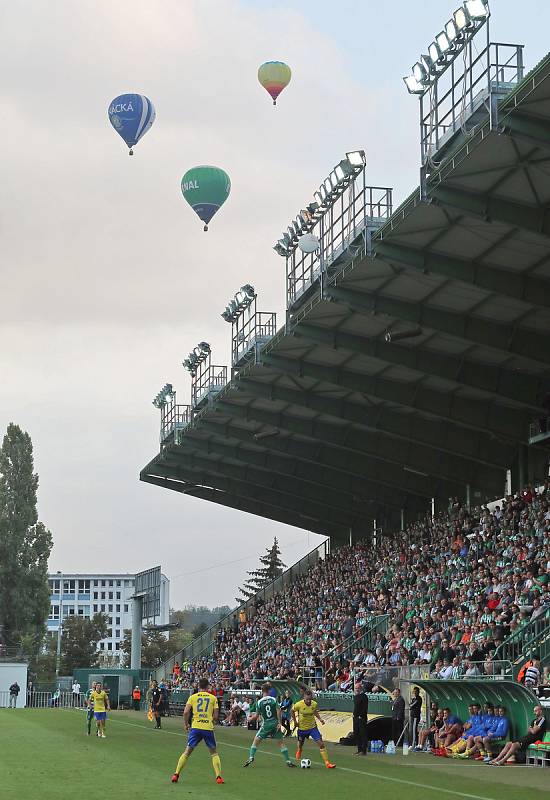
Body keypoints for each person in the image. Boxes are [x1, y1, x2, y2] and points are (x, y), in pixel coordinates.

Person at [171, 677, 224, 785]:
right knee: (214, 753)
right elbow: (216, 716)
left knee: (187, 752)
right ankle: (218, 777)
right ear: (208, 686)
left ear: (198, 686)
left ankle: (176, 774)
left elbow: (185, 712)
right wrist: (211, 721)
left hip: (195, 727)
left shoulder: (193, 697)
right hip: (207, 728)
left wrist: (186, 725)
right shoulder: (213, 698)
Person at [243, 683, 296, 768]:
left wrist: (250, 719)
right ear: (269, 691)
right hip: (275, 723)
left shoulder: (259, 702)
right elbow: (278, 711)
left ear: (262, 691)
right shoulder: (273, 700)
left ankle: (251, 757)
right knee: (281, 743)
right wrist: (279, 723)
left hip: (266, 724)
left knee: (256, 741)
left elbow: (256, 716)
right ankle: (288, 761)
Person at [292, 689, 335, 769]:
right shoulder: (299, 704)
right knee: (300, 744)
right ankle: (299, 750)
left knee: (321, 743)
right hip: (302, 728)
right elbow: (292, 711)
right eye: (307, 699)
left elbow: (314, 711)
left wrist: (320, 719)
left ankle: (327, 763)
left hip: (312, 728)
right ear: (304, 697)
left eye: (310, 699)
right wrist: (295, 721)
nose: (308, 701)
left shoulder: (314, 704)